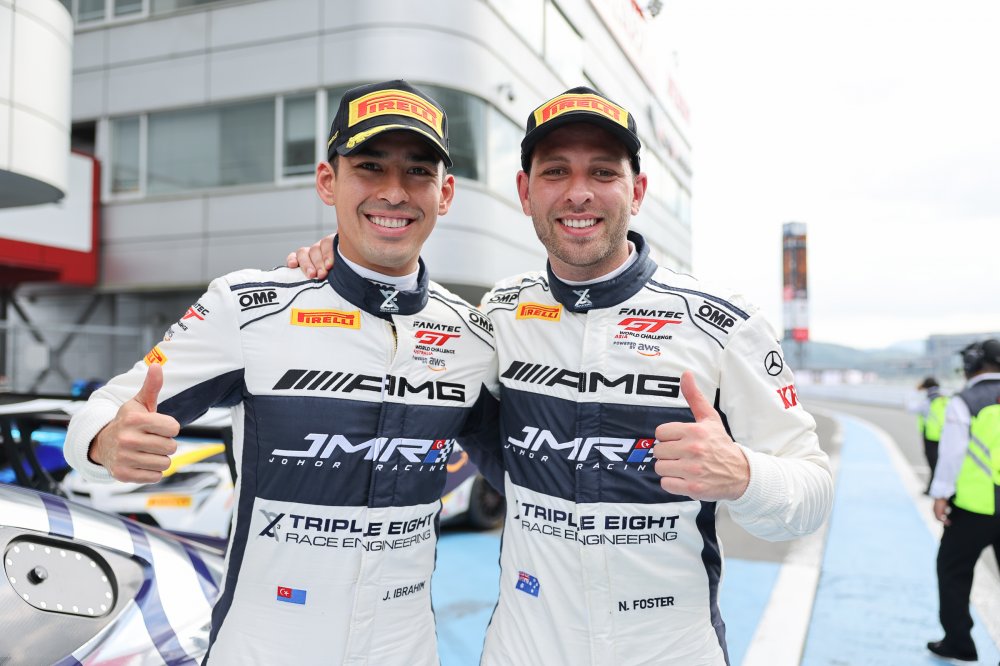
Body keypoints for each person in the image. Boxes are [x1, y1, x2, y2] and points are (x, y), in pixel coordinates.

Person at [289, 86, 833, 665]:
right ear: (525, 192)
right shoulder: (499, 315)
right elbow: (398, 320)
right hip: (522, 649)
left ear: (637, 191)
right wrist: (342, 260)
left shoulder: (721, 323)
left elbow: (813, 490)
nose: (578, 193)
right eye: (555, 171)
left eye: (603, 171)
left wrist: (745, 475)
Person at [63, 80, 501, 665]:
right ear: (328, 181)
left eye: (418, 171)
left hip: (405, 647)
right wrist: (103, 440)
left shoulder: (474, 336)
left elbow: (538, 468)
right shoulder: (246, 307)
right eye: (370, 166)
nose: (394, 192)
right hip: (264, 644)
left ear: (444, 193)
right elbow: (104, 407)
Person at [927, 339, 1000, 663]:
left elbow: (952, 453)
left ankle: (959, 643)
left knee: (953, 572)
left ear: (972, 365)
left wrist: (940, 494)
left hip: (974, 509)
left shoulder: (965, 401)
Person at [912, 376, 949, 494]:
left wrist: (915, 391)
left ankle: (932, 489)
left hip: (931, 436)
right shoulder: (945, 399)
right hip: (944, 435)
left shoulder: (928, 400)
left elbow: (911, 408)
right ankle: (934, 488)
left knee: (934, 464)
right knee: (940, 463)